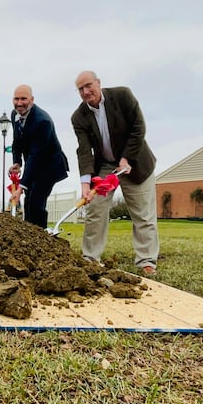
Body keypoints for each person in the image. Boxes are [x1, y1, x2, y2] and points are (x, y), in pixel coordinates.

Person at [70, 71, 159, 275]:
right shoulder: (78, 117)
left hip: (136, 161)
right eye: (80, 89)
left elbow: (139, 128)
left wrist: (126, 158)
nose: (86, 91)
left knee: (143, 214)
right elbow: (84, 150)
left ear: (98, 83)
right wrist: (85, 183)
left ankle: (146, 261)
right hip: (106, 166)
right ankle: (90, 258)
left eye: (89, 85)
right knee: (95, 210)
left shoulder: (123, 96)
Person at [8, 85, 69, 228]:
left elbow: (36, 156)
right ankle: (29, 235)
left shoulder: (42, 121)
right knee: (28, 201)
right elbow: (17, 140)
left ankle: (41, 238)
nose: (19, 103)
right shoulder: (14, 114)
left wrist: (21, 187)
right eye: (16, 99)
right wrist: (17, 162)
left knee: (36, 202)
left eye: (24, 99)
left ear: (32, 99)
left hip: (49, 166)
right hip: (33, 163)